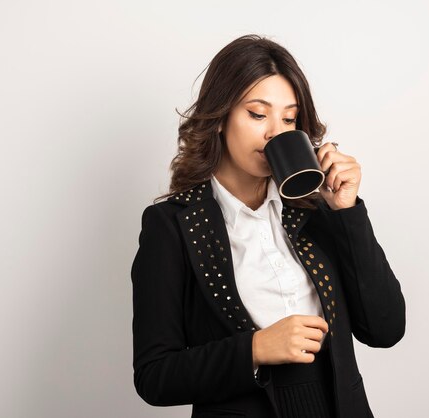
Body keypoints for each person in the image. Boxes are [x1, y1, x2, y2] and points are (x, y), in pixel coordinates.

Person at [131, 34, 406, 418]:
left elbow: (386, 329)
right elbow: (154, 375)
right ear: (220, 116)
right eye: (258, 114)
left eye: (289, 118)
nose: (275, 131)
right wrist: (256, 349)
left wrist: (348, 212)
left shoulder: (316, 212)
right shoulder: (172, 225)